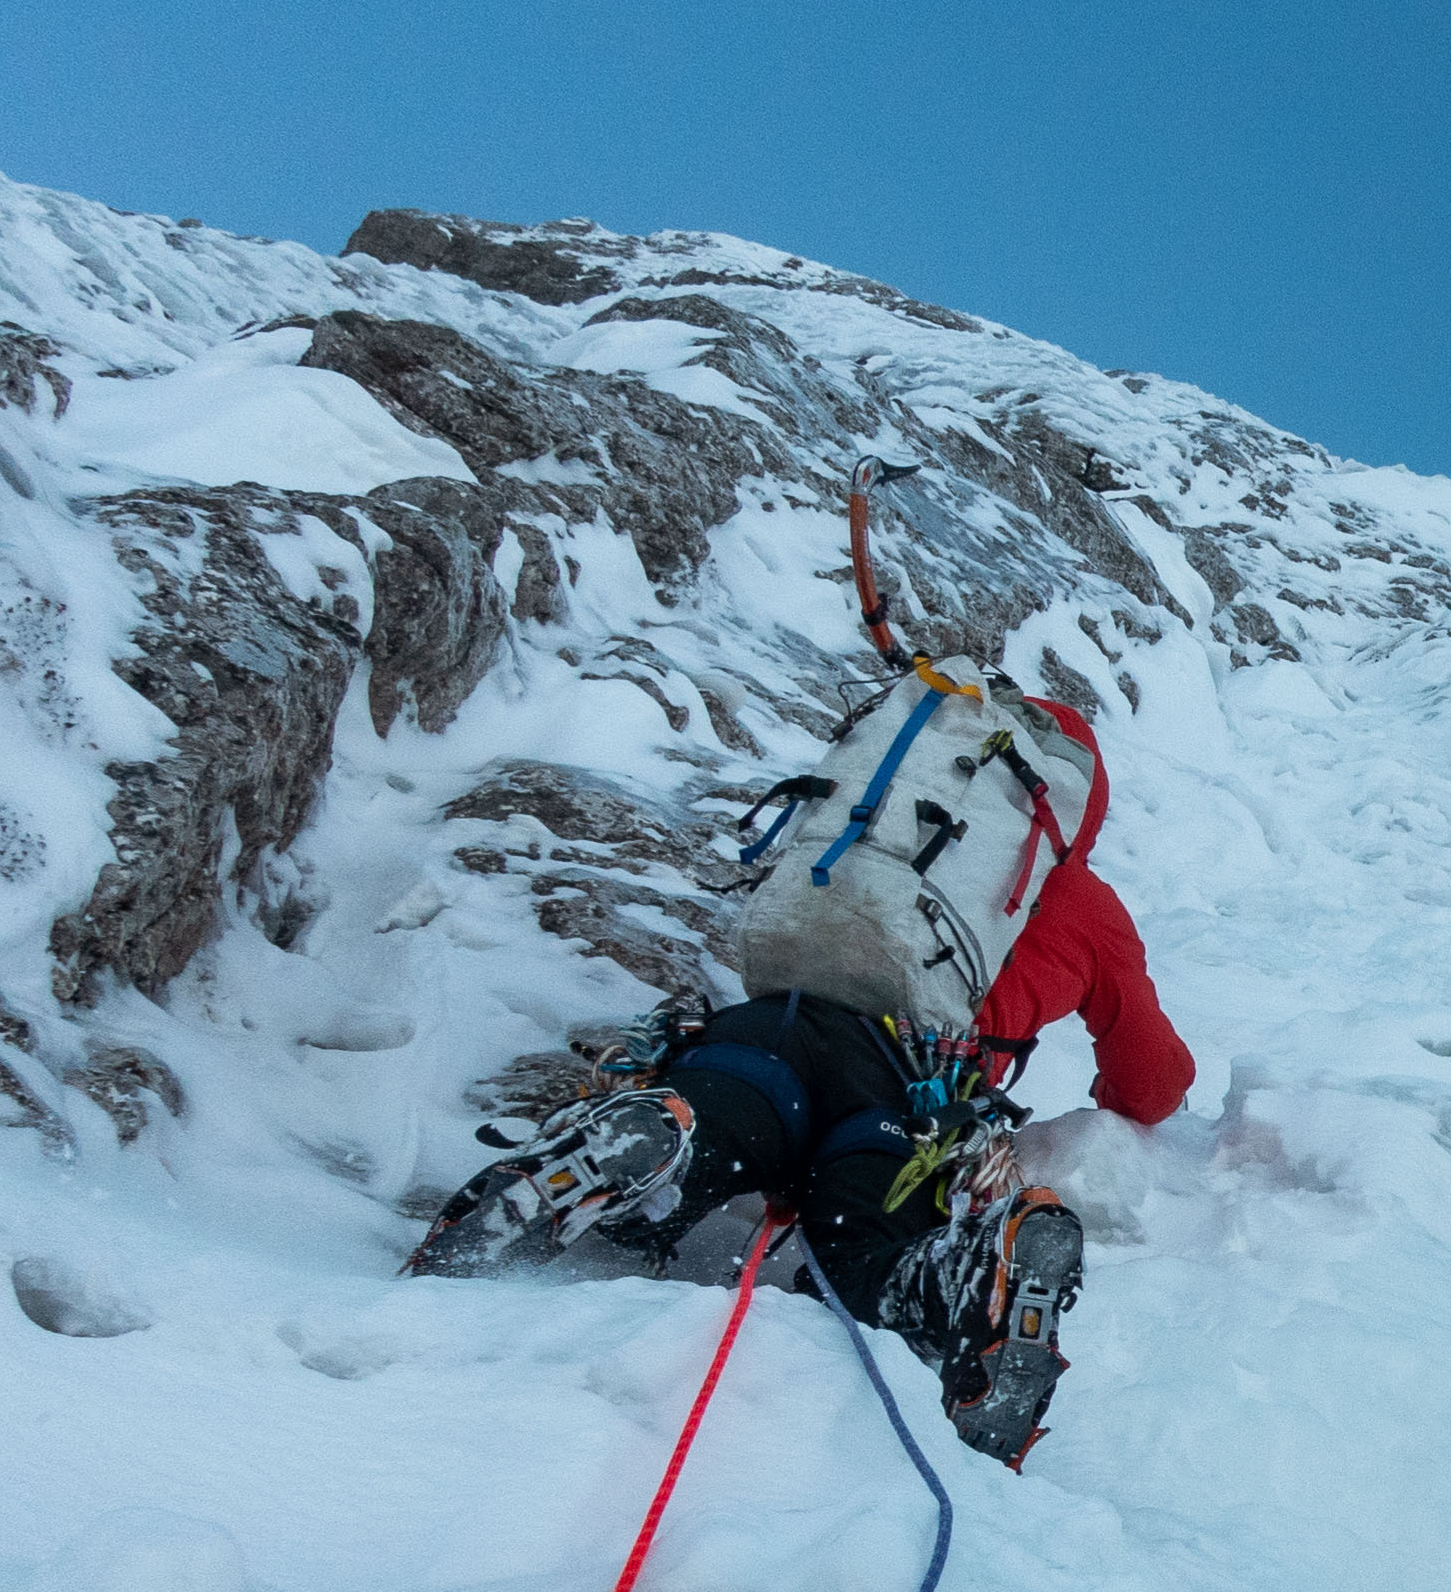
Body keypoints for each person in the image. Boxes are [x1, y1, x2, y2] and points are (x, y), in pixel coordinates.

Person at [434, 608, 1194, 1470]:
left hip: (771, 1026)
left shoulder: (891, 826)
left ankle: (661, 1143)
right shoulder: (1087, 912)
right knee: (862, 1236)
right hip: (909, 1086)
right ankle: (954, 1283)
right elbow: (1150, 1083)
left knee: (718, 1110)